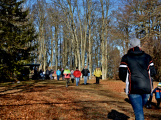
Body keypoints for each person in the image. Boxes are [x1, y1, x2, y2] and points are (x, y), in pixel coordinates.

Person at [119, 38, 156, 120]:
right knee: (139, 111)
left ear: (130, 46)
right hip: (147, 89)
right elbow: (153, 72)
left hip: (133, 89)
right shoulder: (148, 57)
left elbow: (121, 74)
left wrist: (128, 80)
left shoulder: (125, 58)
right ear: (139, 46)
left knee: (139, 112)